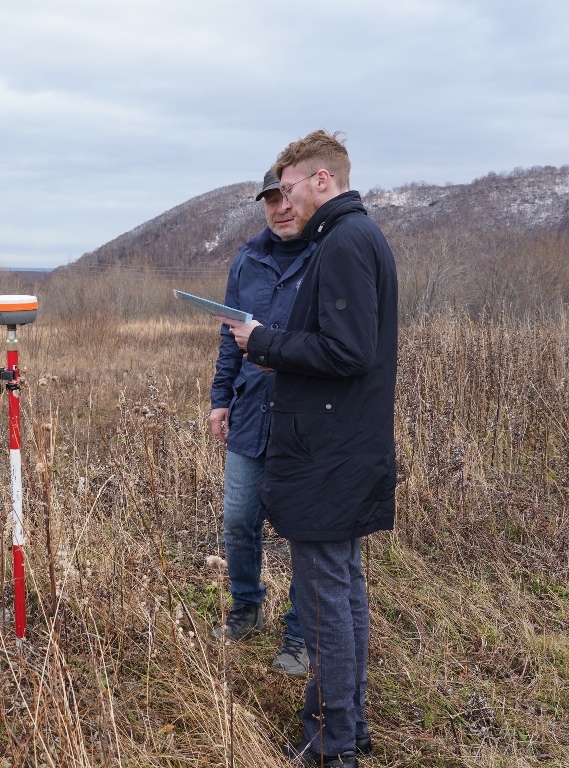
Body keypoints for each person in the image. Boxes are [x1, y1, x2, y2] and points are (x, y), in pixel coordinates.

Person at [221, 130, 397, 767]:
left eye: (289, 186)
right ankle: (350, 726)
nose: (283, 199)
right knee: (342, 589)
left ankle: (330, 745)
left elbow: (347, 352)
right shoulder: (352, 237)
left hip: (329, 455)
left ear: (322, 179)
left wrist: (263, 342)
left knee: (326, 603)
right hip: (340, 450)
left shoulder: (346, 242)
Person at [209, 169, 311, 677]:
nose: (280, 208)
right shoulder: (247, 260)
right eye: (271, 200)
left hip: (304, 420)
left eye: (287, 197)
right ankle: (247, 606)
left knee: (302, 530)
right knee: (237, 518)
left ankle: (300, 633)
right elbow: (231, 337)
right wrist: (219, 399)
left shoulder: (326, 256)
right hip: (249, 413)